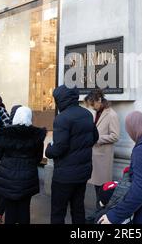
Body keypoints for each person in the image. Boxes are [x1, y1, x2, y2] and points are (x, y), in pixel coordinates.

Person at [45, 85, 99, 224]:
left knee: (58, 211)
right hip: (83, 172)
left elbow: (59, 148)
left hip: (64, 175)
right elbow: (95, 137)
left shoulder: (62, 118)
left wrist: (48, 150)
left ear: (61, 100)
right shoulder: (87, 114)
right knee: (78, 208)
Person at [0, 106, 46, 224]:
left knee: (10, 209)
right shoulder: (36, 135)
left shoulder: (5, 133)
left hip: (8, 176)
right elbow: (38, 158)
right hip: (28, 176)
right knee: (24, 208)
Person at [84, 89, 120, 209]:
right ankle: (98, 215)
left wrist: (97, 138)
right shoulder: (97, 112)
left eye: (93, 104)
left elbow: (115, 136)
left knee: (102, 192)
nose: (92, 107)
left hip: (103, 159)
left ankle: (100, 216)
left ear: (99, 100)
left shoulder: (111, 114)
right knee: (97, 189)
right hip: (95, 157)